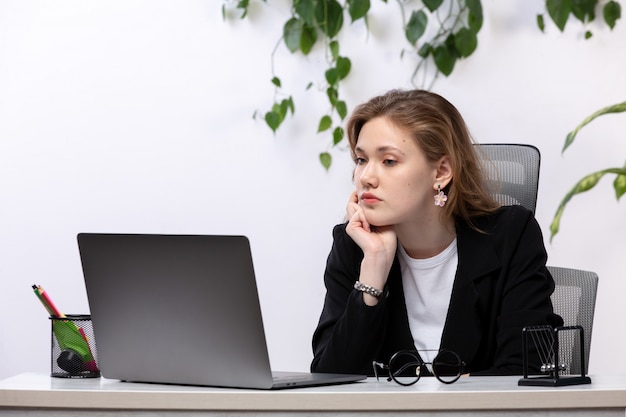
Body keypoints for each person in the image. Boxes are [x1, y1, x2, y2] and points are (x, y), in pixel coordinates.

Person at [310, 89, 563, 377]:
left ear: (441, 172)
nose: (365, 177)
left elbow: (526, 370)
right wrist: (373, 274)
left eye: (389, 161)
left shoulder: (511, 236)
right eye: (361, 160)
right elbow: (331, 379)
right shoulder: (355, 246)